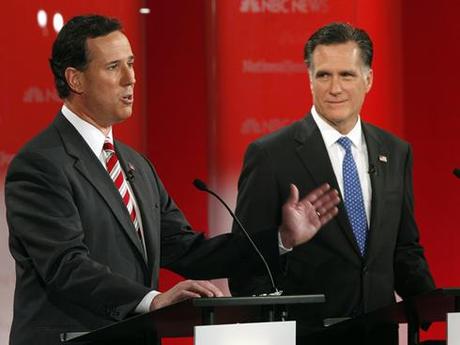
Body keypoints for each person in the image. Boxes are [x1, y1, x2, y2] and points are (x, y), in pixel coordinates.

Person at [4, 15, 340, 345]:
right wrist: (153, 301)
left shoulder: (136, 165)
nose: (130, 78)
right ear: (75, 80)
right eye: (113, 67)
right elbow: (66, 265)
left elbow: (187, 250)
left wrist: (281, 237)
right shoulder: (40, 164)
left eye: (131, 64)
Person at [229, 22, 435, 344]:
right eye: (323, 75)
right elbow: (246, 259)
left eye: (347, 75)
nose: (334, 88)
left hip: (380, 333)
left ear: (368, 79)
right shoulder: (270, 155)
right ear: (309, 80)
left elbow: (404, 248)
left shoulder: (395, 151)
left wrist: (436, 306)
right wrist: (273, 328)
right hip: (307, 335)